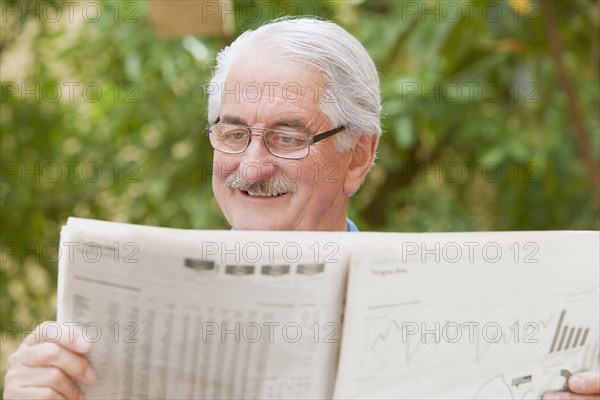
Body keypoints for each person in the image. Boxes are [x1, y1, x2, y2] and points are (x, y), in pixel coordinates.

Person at [4, 17, 598, 400]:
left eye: (288, 138)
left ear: (358, 157)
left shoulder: (462, 319)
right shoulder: (114, 324)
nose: (251, 166)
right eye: (233, 133)